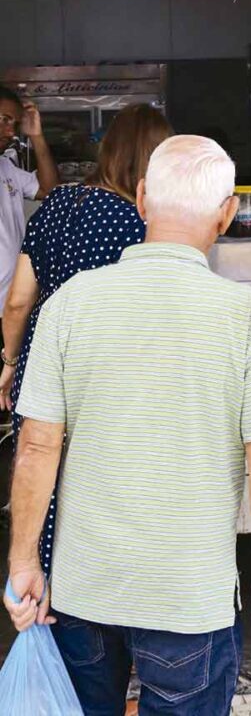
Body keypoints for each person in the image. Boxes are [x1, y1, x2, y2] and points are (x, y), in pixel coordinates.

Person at [3, 135, 251, 715]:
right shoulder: (246, 316)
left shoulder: (69, 303)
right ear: (225, 213)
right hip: (188, 601)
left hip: (85, 591)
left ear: (142, 198)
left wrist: (23, 562)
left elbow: (37, 445)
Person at [0, 103, 172, 578]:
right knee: (103, 483)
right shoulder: (143, 226)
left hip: (45, 362)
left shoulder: (58, 205)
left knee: (41, 473)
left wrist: (11, 359)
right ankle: (105, 586)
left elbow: (18, 301)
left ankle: (47, 579)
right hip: (110, 374)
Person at [0, 85, 59, 327]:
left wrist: (36, 135)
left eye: (14, 123)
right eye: (4, 120)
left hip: (11, 305)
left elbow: (50, 189)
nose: (10, 131)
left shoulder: (6, 168)